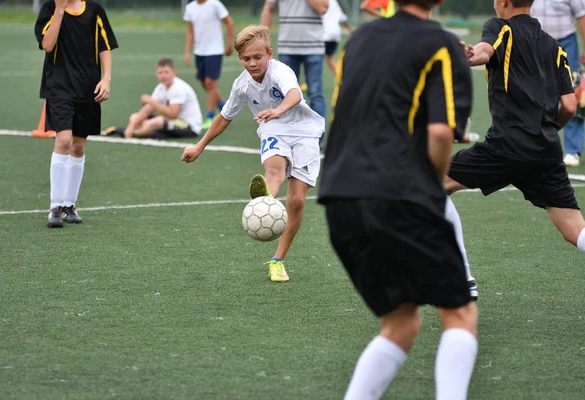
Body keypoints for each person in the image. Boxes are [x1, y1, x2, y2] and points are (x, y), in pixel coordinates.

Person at [318, 1, 478, 399]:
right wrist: (431, 183)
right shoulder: (440, 45)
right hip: (398, 192)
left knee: (401, 323)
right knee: (459, 312)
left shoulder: (359, 41)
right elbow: (441, 133)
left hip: (339, 194)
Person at [447, 0, 585, 279]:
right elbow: (570, 106)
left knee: (429, 183)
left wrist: (470, 54)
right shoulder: (554, 46)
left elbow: (484, 52)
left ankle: (460, 279)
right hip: (546, 149)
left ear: (503, 2)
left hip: (507, 145)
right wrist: (545, 130)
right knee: (574, 228)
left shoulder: (500, 27)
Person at [182, 25, 324, 283]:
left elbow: (294, 94)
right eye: (246, 58)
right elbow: (224, 117)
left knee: (297, 202)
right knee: (273, 169)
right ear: (240, 59)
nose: (252, 63)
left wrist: (278, 110)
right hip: (273, 127)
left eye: (257, 57)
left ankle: (277, 259)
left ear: (269, 53)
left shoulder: (281, 70)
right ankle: (267, 199)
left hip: (305, 130)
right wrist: (199, 146)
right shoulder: (242, 85)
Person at [35, 0, 118, 228]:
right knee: (63, 140)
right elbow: (48, 45)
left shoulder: (95, 9)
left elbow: (105, 45)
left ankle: (70, 205)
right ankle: (55, 207)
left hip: (88, 86)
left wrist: (106, 78)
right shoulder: (50, 8)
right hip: (58, 87)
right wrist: (60, 10)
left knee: (79, 145)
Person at [531, 0, 585, 167]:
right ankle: (534, 146)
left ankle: (572, 150)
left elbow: (582, 16)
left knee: (572, 94)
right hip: (535, 42)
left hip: (566, 42)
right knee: (533, 93)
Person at [261, 0, 329, 122]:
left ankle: (317, 138)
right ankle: (287, 134)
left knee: (315, 93)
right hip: (287, 47)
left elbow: (322, 8)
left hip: (313, 47)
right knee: (283, 94)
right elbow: (268, 8)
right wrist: (262, 39)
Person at [105, 58, 203, 139]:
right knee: (135, 117)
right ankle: (148, 132)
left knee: (157, 121)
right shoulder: (161, 88)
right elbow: (147, 110)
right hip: (172, 122)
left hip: (189, 127)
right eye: (160, 72)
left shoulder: (178, 88)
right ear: (156, 74)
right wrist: (132, 124)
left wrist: (151, 101)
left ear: (174, 72)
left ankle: (131, 133)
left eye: (166, 72)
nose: (163, 75)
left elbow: (173, 114)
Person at [183, 0, 234, 130]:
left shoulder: (215, 4)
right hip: (199, 51)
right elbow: (190, 31)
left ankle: (210, 117)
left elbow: (229, 23)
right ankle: (223, 106)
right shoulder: (190, 8)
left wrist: (229, 44)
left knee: (210, 83)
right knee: (205, 83)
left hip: (215, 50)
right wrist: (187, 52)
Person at [322, 0, 354, 74]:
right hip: (335, 34)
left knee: (316, 60)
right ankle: (341, 79)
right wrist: (349, 28)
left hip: (324, 34)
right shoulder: (334, 2)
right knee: (330, 59)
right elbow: (343, 18)